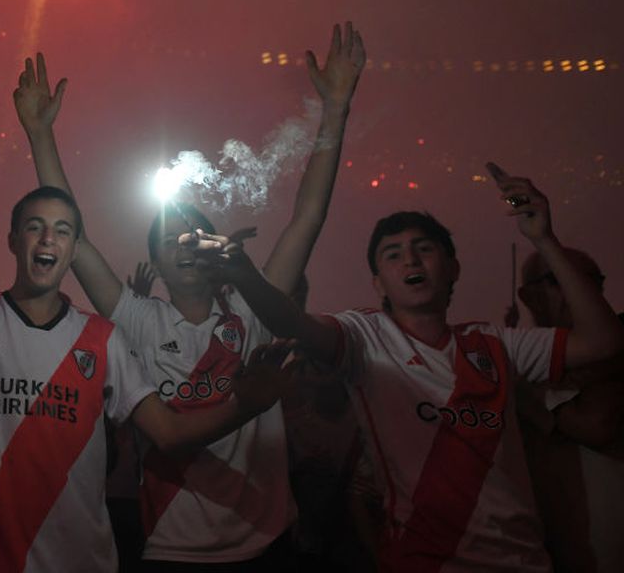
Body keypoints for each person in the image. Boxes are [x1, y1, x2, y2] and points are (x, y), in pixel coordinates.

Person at [13, 24, 364, 570]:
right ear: (155, 262)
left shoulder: (254, 307)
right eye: (167, 239)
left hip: (268, 542)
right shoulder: (137, 319)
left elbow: (307, 218)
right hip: (174, 551)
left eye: (192, 234)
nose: (182, 246)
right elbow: (74, 242)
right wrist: (40, 134)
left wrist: (335, 109)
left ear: (215, 249)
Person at [185, 162, 624, 571]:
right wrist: (243, 273)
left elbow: (604, 342)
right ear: (378, 283)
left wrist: (545, 239)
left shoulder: (494, 344)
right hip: (423, 561)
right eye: (393, 254)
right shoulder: (366, 337)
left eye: (423, 249)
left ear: (452, 268)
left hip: (524, 560)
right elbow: (289, 320)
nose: (410, 260)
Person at [0, 186, 299, 573]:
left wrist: (246, 404)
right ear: (13, 239)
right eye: (35, 226)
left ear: (74, 249)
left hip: (82, 561)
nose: (48, 238)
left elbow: (170, 433)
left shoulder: (103, 339)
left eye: (63, 230)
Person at [514, 247, 623, 572]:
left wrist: (528, 397)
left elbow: (597, 424)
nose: (582, 289)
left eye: (593, 280)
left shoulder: (615, 354)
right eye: (560, 279)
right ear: (529, 296)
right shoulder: (508, 365)